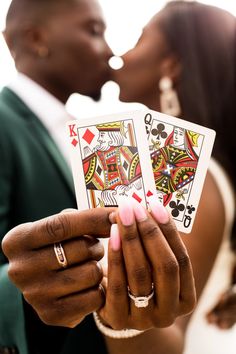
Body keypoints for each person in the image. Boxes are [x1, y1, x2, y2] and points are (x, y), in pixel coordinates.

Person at [0, 1, 196, 354]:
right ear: (37, 38)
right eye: (94, 31)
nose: (110, 51)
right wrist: (27, 289)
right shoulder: (3, 122)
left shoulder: (90, 134)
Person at [113, 0, 236, 352]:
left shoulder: (185, 176)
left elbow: (162, 340)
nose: (122, 55)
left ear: (170, 65)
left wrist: (118, 318)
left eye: (139, 39)